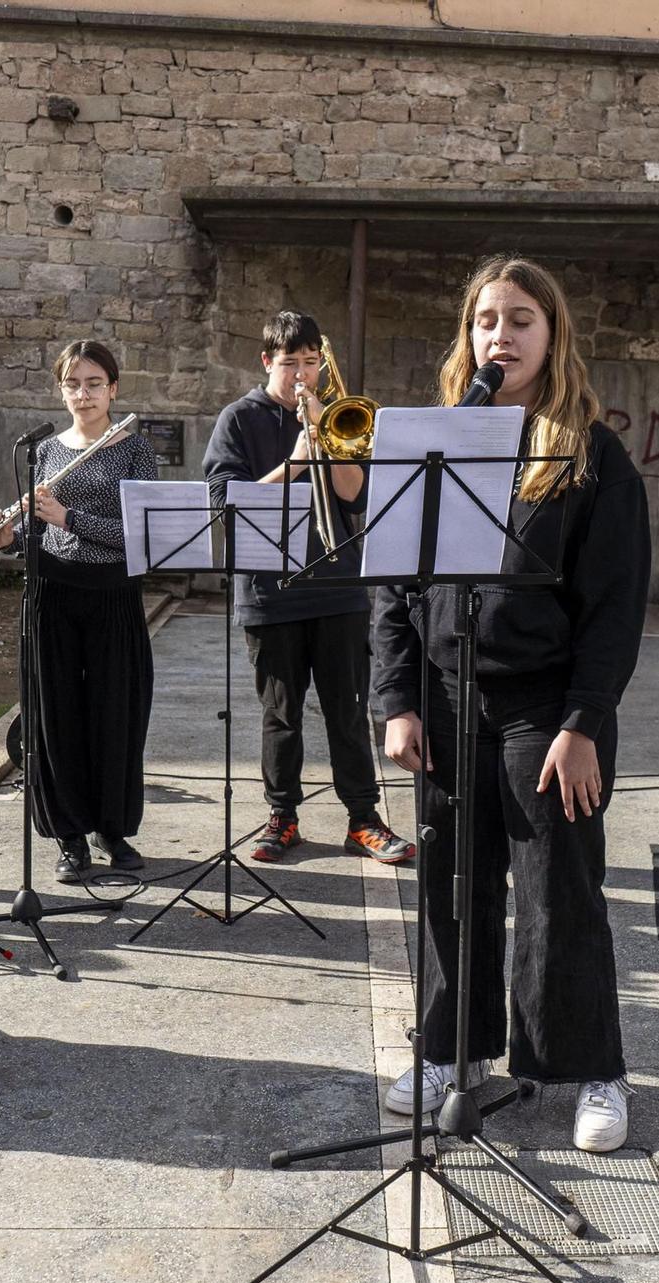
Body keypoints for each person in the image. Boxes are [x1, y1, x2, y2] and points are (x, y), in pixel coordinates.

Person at [371, 256, 650, 1153]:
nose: (502, 335)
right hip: (448, 704)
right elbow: (393, 584)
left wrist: (583, 723)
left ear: (553, 333)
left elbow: (614, 609)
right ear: (469, 336)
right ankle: (453, 1050)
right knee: (452, 886)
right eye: (487, 319)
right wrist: (400, 699)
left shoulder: (592, 454)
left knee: (558, 893)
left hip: (546, 710)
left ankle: (586, 1068)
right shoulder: (435, 441)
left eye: (521, 319)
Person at [201, 310, 415, 866]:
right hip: (270, 593)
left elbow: (354, 499)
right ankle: (282, 818)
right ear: (267, 360)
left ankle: (363, 820)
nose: (301, 374)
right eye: (290, 362)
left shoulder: (336, 415)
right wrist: (295, 461)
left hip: (340, 587)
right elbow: (227, 503)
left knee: (348, 712)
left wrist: (324, 438)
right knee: (282, 715)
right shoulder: (239, 419)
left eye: (311, 362)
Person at [0, 340, 157, 883]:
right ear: (61, 389)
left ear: (113, 388)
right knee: (54, 718)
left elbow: (139, 538)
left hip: (112, 594)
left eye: (94, 383)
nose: (83, 394)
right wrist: (9, 536)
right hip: (52, 596)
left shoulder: (133, 447)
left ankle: (113, 829)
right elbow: (35, 531)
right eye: (73, 384)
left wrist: (67, 517)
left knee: (114, 715)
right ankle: (70, 837)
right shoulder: (44, 452)